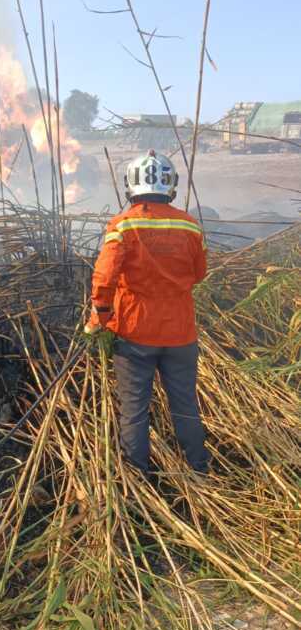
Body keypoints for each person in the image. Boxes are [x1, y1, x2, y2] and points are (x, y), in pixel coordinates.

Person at [84, 149, 209, 476]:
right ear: (171, 185)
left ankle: (138, 480)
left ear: (131, 185)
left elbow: (103, 278)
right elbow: (199, 273)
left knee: (135, 411)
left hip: (134, 334)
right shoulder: (190, 226)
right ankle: (198, 469)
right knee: (185, 407)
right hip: (181, 335)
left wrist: (100, 317)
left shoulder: (122, 226)